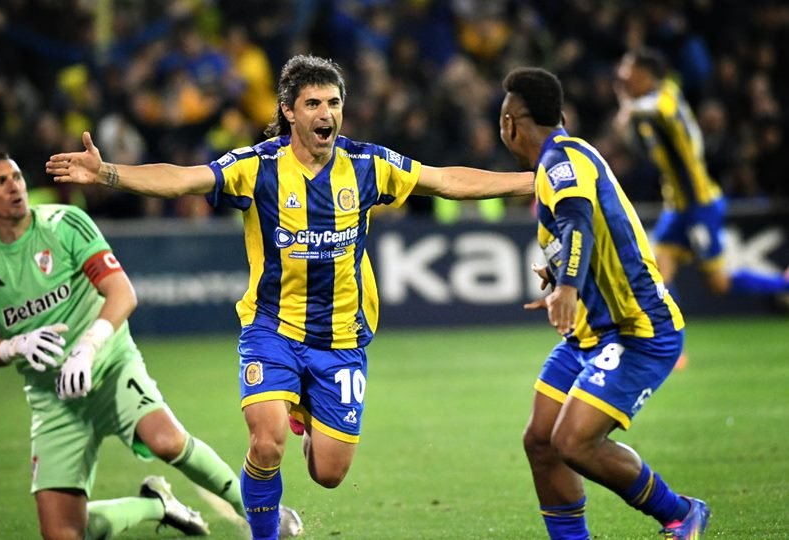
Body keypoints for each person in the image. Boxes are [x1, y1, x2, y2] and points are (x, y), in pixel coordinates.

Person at [46, 54, 534, 540]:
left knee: (329, 473)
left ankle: (302, 412)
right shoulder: (256, 168)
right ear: (288, 111)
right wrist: (109, 172)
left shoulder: (369, 165)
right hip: (271, 329)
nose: (326, 114)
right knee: (266, 444)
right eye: (314, 103)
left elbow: (445, 180)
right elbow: (183, 179)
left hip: (341, 337)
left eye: (334, 103)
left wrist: (533, 180)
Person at [0, 151, 295, 539]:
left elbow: (121, 293)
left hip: (109, 364)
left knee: (166, 441)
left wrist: (86, 348)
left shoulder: (65, 224)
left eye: (16, 176)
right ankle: (157, 505)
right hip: (53, 397)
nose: (14, 186)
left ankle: (260, 512)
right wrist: (15, 346)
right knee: (60, 534)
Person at [499, 67, 710, 539]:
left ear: (510, 122)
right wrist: (559, 276)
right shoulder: (563, 161)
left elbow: (578, 223)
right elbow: (591, 231)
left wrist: (568, 289)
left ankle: (680, 513)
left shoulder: (560, 165)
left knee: (573, 441)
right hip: (592, 334)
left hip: (639, 330)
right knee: (540, 441)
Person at [615, 48, 789, 302]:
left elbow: (652, 108)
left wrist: (627, 107)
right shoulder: (644, 113)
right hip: (676, 208)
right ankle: (670, 340)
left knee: (718, 283)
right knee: (656, 279)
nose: (621, 75)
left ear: (645, 74)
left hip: (700, 204)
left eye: (627, 69)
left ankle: (783, 284)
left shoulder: (666, 97)